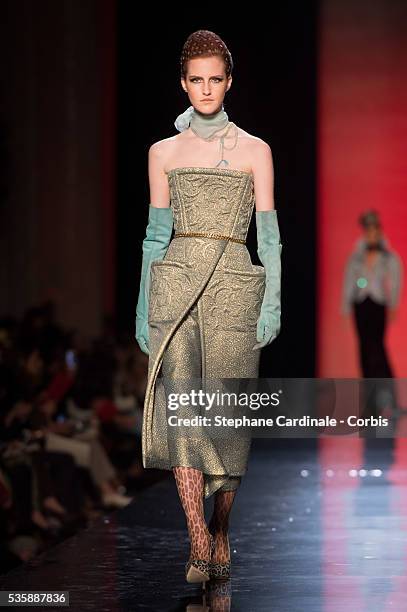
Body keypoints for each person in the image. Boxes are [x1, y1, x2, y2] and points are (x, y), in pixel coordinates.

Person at [135, 30, 282, 584]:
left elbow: (268, 237)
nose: (205, 89)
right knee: (184, 416)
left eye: (214, 79)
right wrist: (142, 304)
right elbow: (154, 236)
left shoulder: (255, 150)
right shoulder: (163, 153)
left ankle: (221, 529)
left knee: (228, 421)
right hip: (174, 285)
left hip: (235, 287)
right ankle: (198, 541)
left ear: (228, 82)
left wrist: (272, 300)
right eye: (195, 79)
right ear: (182, 82)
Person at [341, 209, 403, 418]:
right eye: (368, 230)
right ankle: (371, 404)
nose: (371, 234)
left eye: (374, 230)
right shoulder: (357, 256)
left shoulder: (388, 255)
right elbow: (349, 279)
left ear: (379, 231)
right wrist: (346, 306)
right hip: (361, 304)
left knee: (377, 350)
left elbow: (395, 280)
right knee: (364, 351)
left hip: (378, 305)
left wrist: (393, 304)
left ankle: (391, 401)